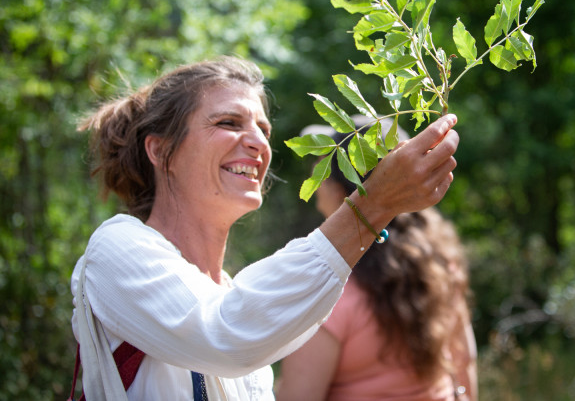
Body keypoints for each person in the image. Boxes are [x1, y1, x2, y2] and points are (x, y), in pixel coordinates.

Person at [69, 57, 459, 400]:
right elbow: (222, 333)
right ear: (160, 151)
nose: (258, 142)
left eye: (264, 130)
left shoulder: (240, 299)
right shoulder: (117, 247)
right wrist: (374, 204)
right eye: (228, 122)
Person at [275, 117, 478, 401]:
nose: (314, 176)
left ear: (340, 192)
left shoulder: (327, 294)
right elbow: (464, 361)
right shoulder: (440, 265)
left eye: (323, 166)